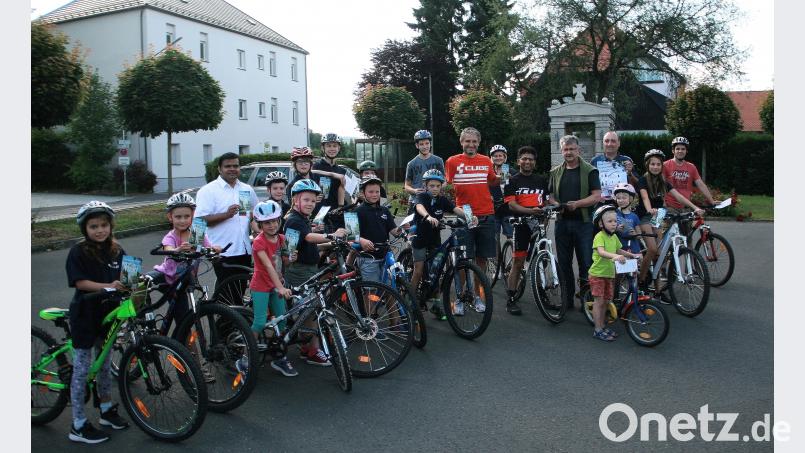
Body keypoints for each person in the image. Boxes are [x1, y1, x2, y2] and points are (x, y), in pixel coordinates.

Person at [65, 201, 130, 443]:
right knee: (82, 368)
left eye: (104, 225)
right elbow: (80, 283)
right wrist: (108, 286)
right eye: (94, 226)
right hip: (85, 314)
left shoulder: (116, 249)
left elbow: (122, 276)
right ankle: (78, 424)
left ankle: (105, 409)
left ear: (110, 226)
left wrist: (128, 281)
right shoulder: (78, 251)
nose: (100, 230)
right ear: (85, 229)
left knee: (103, 365)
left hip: (108, 313)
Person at [284, 178, 348, 365]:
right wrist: (331, 235)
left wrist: (334, 243)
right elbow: (309, 237)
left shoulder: (302, 219)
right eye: (306, 200)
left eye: (313, 200)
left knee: (310, 308)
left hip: (309, 269)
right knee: (312, 310)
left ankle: (307, 345)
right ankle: (312, 350)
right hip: (300, 271)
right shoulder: (294, 220)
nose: (310, 204)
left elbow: (310, 244)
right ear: (295, 200)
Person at [148, 192, 221, 335]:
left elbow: (209, 247)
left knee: (182, 322)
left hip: (182, 281)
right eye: (178, 217)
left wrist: (215, 249)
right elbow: (168, 249)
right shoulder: (170, 236)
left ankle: (184, 350)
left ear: (193, 215)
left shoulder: (197, 233)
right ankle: (143, 322)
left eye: (186, 216)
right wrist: (177, 250)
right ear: (170, 217)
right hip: (165, 274)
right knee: (142, 284)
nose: (182, 220)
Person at [445, 127, 500, 314]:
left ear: (478, 143)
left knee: (481, 260)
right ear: (461, 142)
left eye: (474, 141)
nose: (471, 144)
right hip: (465, 215)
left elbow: (493, 180)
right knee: (462, 260)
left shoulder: (486, 161)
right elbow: (447, 186)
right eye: (467, 141)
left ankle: (477, 295)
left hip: (486, 213)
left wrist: (508, 177)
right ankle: (460, 298)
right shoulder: (452, 161)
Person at [637, 149, 705, 291]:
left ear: (662, 166)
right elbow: (644, 197)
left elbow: (678, 196)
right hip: (645, 217)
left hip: (659, 216)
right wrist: (650, 209)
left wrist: (694, 207)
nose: (655, 167)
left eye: (658, 164)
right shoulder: (643, 180)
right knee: (652, 249)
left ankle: (657, 289)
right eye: (652, 164)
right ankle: (641, 280)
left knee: (659, 253)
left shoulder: (664, 181)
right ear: (648, 166)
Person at [410, 169, 474, 319]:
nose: (435, 189)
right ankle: (411, 301)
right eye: (431, 186)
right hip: (420, 238)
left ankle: (437, 305)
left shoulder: (442, 199)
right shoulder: (422, 197)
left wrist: (470, 217)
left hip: (434, 239)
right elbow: (419, 207)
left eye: (438, 186)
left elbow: (455, 209)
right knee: (418, 271)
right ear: (426, 186)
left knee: (436, 271)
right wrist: (427, 216)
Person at [548, 135, 602, 310]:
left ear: (579, 150)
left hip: (584, 223)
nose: (569, 152)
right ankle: (567, 301)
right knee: (563, 264)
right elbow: (550, 196)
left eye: (572, 149)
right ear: (562, 151)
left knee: (586, 263)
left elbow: (596, 196)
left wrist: (577, 204)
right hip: (562, 223)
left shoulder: (591, 171)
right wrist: (557, 205)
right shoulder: (554, 172)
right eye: (566, 149)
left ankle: (589, 303)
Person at [195, 152, 259, 288]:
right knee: (227, 289)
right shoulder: (208, 191)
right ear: (219, 169)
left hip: (244, 249)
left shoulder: (246, 189)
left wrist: (257, 230)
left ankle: (225, 309)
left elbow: (251, 215)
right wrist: (226, 215)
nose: (232, 169)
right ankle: (218, 309)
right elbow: (199, 222)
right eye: (227, 166)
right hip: (222, 251)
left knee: (240, 289)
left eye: (235, 166)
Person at [502, 146, 553, 315]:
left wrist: (546, 218)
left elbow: (546, 203)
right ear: (518, 161)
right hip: (521, 225)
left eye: (530, 159)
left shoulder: (541, 180)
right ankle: (511, 298)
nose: (527, 161)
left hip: (538, 225)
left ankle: (542, 294)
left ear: (535, 163)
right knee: (518, 262)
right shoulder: (512, 181)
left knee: (541, 261)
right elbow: (512, 204)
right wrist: (531, 211)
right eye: (524, 158)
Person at [249, 200, 296, 377]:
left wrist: (291, 258)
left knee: (282, 321)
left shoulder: (282, 239)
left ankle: (278, 356)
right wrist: (281, 288)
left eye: (275, 221)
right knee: (260, 322)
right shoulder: (259, 242)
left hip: (277, 284)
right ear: (260, 224)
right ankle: (248, 353)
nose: (272, 225)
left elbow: (284, 262)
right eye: (267, 222)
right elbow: (268, 266)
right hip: (261, 285)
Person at [588, 205, 641, 342]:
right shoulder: (599, 236)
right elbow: (601, 252)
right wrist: (614, 257)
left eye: (615, 221)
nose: (613, 224)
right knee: (599, 302)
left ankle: (603, 325)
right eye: (610, 221)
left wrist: (632, 255)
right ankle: (597, 329)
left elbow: (620, 250)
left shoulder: (614, 237)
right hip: (598, 274)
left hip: (609, 275)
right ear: (601, 224)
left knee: (606, 301)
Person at [353, 176, 404, 283]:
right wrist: (362, 240)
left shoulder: (384, 210)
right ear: (363, 193)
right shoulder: (356, 211)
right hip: (367, 258)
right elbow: (350, 235)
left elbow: (394, 231)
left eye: (377, 191)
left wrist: (401, 228)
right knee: (371, 290)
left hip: (385, 255)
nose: (375, 194)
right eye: (371, 192)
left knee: (391, 287)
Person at [662, 136, 717, 234]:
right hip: (670, 207)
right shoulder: (665, 165)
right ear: (673, 151)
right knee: (670, 236)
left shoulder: (691, 167)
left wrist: (711, 200)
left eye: (683, 149)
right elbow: (660, 185)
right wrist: (663, 203)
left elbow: (700, 184)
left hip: (686, 207)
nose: (680, 151)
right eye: (677, 149)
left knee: (687, 237)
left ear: (686, 151)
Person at [404, 130, 445, 215]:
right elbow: (407, 186)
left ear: (430, 144)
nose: (425, 146)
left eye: (427, 143)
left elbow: (444, 181)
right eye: (421, 144)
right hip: (415, 200)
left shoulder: (438, 161)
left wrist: (436, 189)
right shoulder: (411, 164)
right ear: (417, 145)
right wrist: (414, 191)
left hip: (433, 201)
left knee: (434, 225)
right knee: (412, 227)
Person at [591, 131, 631, 204]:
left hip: (622, 204)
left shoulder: (626, 160)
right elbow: (590, 183)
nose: (609, 144)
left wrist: (630, 173)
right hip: (601, 203)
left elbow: (636, 184)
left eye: (613, 141)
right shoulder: (595, 161)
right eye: (606, 141)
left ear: (619, 143)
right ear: (603, 143)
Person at [314, 133, 348, 214]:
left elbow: (342, 189)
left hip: (336, 211)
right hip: (319, 211)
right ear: (323, 148)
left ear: (339, 148)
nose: (332, 148)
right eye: (328, 146)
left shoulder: (342, 171)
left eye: (334, 146)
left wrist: (341, 207)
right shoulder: (316, 166)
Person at [488, 144, 515, 244]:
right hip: (493, 209)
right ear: (491, 158)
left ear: (505, 157)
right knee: (494, 237)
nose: (498, 158)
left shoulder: (509, 171)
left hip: (507, 209)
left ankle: (513, 257)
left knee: (511, 236)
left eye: (500, 155)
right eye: (495, 156)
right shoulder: (489, 172)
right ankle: (497, 259)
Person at [612, 183, 642, 257]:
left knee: (634, 268)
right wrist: (616, 229)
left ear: (630, 199)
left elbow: (639, 235)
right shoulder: (613, 214)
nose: (621, 200)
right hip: (619, 249)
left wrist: (634, 234)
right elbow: (607, 230)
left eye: (624, 198)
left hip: (633, 248)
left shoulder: (634, 216)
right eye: (618, 198)